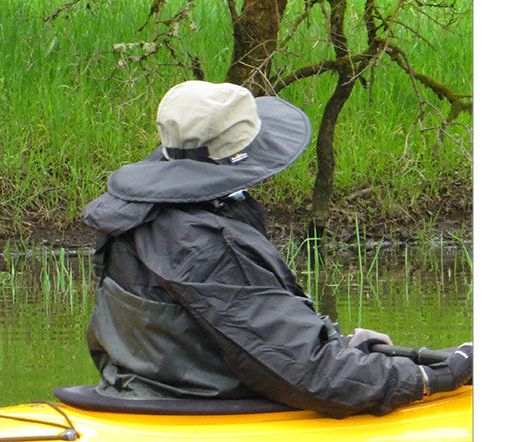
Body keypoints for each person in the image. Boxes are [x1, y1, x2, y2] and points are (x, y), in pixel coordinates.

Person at [81, 80, 472, 418]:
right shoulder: (207, 244)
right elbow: (317, 376)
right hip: (194, 407)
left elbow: (213, 333)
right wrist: (435, 376)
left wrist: (338, 343)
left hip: (150, 390)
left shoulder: (145, 216)